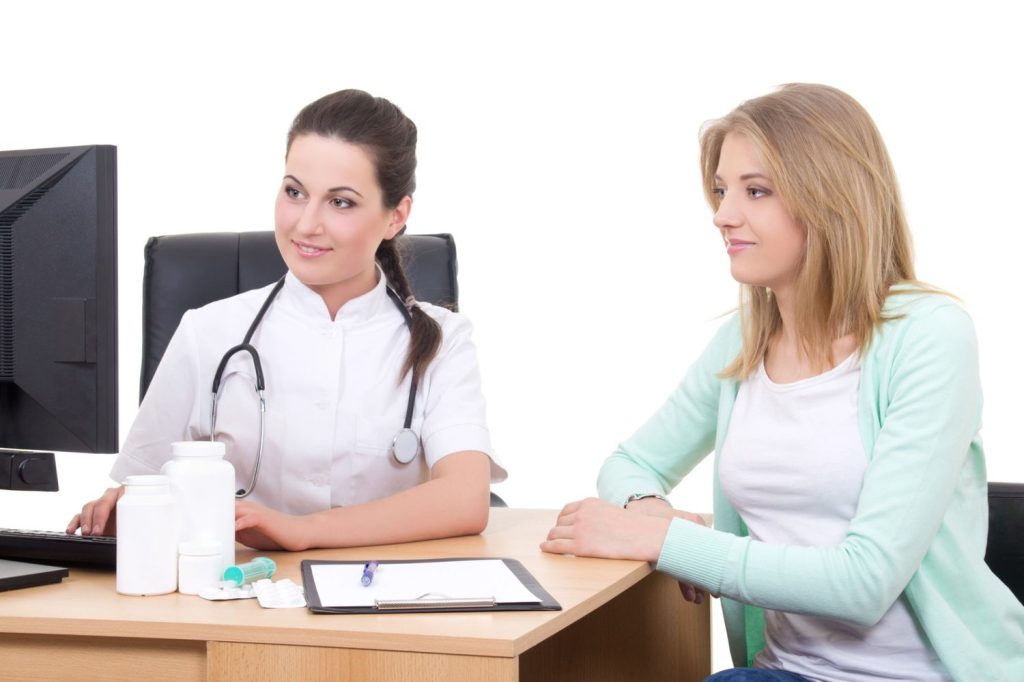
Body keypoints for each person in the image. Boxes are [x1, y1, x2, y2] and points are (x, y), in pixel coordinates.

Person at [541, 84, 1024, 681]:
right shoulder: (743, 343)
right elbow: (631, 461)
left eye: (756, 191)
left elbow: (863, 583)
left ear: (832, 199)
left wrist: (667, 544)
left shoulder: (929, 336)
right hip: (785, 672)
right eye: (721, 190)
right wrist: (648, 512)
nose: (722, 214)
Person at [68, 89, 505, 550]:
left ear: (395, 216)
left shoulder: (442, 339)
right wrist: (126, 512)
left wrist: (301, 531)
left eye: (341, 202)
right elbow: (142, 490)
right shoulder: (208, 333)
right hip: (237, 599)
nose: (306, 225)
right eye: (295, 192)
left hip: (388, 603)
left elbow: (465, 499)